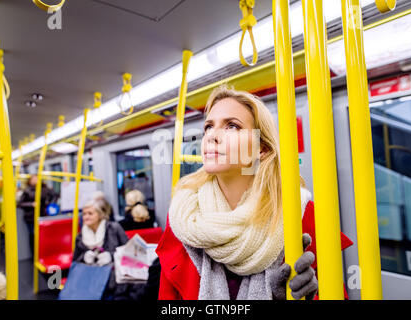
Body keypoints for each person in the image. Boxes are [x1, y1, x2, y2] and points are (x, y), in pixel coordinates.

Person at [156, 85, 353, 300]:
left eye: (232, 126)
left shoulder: (298, 213)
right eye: (208, 127)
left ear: (262, 148)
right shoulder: (184, 216)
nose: (212, 136)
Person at [72, 197, 129, 299]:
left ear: (100, 214)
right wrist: (84, 257)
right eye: (84, 214)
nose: (86, 217)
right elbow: (75, 261)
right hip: (90, 281)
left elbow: (129, 251)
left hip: (115, 281)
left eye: (90, 213)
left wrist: (111, 256)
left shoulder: (114, 228)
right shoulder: (80, 236)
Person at [17, 174, 58, 256]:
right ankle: (34, 254)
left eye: (37, 179)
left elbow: (55, 196)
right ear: (30, 181)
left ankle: (44, 253)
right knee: (33, 236)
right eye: (34, 179)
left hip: (43, 215)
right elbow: (20, 204)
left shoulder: (45, 189)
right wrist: (31, 204)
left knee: (44, 235)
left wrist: (49, 204)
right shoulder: (27, 191)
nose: (36, 180)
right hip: (31, 217)